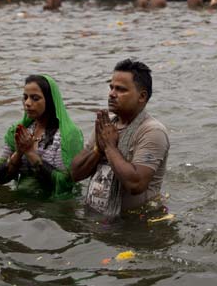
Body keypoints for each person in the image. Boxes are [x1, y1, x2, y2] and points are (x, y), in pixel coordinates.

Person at [70, 59, 169, 218]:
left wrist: (109, 147)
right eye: (111, 87)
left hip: (134, 223)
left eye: (121, 89)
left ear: (142, 96)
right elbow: (75, 174)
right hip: (97, 215)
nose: (111, 94)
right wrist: (98, 150)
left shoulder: (152, 131)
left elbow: (135, 184)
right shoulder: (106, 125)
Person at [0, 75, 84, 198]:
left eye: (35, 98)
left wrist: (30, 154)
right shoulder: (18, 131)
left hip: (52, 208)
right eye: (25, 97)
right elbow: (0, 178)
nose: (27, 103)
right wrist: (19, 153)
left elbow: (66, 184)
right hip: (23, 203)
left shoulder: (68, 135)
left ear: (50, 100)